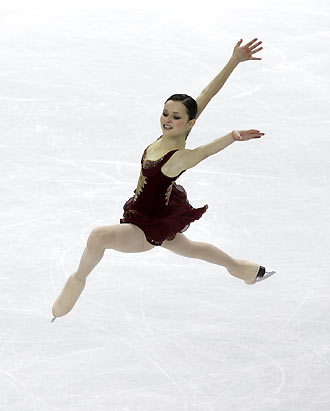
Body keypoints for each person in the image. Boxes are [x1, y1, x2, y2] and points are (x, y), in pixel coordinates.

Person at [51, 37, 275, 322]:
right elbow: (206, 94)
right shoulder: (172, 134)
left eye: (176, 117)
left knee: (99, 236)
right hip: (152, 211)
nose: (168, 120)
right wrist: (233, 61)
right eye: (166, 113)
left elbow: (205, 151)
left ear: (190, 123)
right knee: (188, 247)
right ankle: (243, 270)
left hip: (145, 227)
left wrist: (232, 137)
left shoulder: (178, 156)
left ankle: (76, 282)